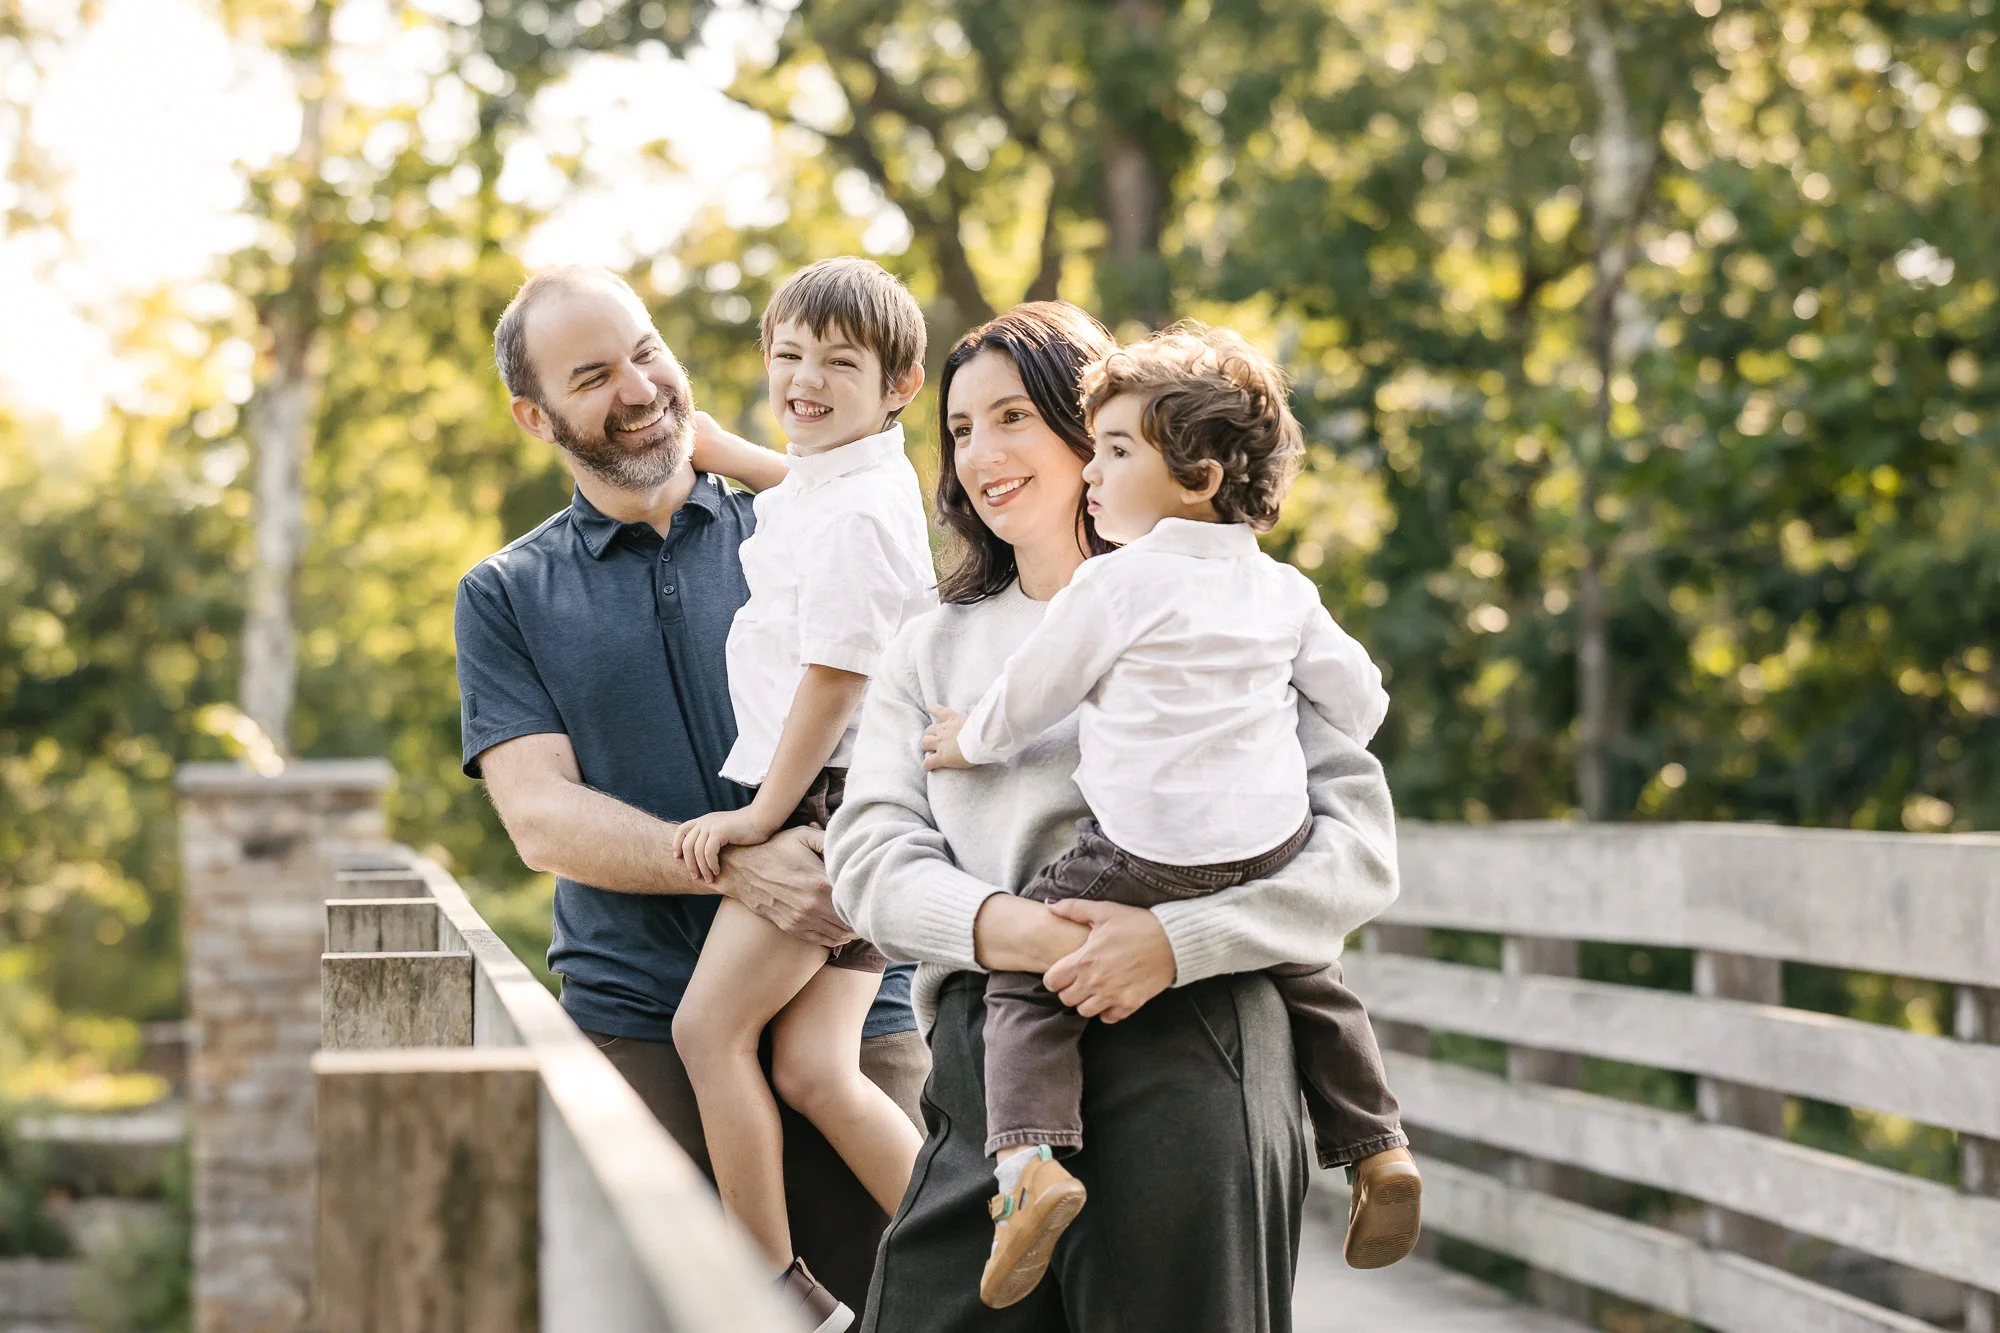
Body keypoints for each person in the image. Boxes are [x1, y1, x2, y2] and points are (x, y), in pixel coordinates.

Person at [826, 302, 1402, 1332]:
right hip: (994, 1063)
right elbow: (867, 860)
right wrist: (1025, 934)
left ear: (1092, 428)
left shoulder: (1234, 614)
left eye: (1011, 418)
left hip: (1196, 1049)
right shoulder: (931, 649)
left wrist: (1175, 942)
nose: (979, 455)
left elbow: (1355, 856)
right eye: (958, 431)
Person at [453, 265, 924, 1328]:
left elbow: (906, 694)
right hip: (640, 1021)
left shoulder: (807, 524)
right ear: (536, 416)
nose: (639, 386)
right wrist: (733, 858)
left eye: (645, 350)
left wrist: (871, 850)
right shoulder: (506, 594)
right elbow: (539, 819)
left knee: (922, 1298)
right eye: (592, 375)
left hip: (853, 1007)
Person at [665, 257, 936, 1331]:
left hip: (824, 798)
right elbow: (813, 492)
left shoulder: (862, 511)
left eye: (838, 363)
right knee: (814, 1066)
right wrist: (733, 453)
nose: (804, 380)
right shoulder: (849, 482)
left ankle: (782, 1293)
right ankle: (995, 1237)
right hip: (878, 803)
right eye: (786, 357)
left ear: (899, 384)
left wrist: (755, 817)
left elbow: (833, 676)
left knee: (706, 1033)